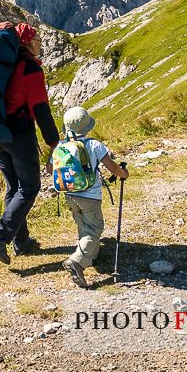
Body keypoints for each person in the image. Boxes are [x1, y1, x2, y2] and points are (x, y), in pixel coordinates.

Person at [0, 22, 60, 265]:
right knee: (29, 186)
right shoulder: (29, 69)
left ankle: (21, 241)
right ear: (26, 43)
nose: (40, 43)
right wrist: (53, 142)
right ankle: (0, 235)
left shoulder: (1, 67)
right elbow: (40, 109)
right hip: (18, 133)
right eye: (36, 39)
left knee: (13, 186)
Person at [58, 105, 129, 288]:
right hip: (90, 195)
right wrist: (123, 174)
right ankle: (78, 261)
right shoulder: (94, 144)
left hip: (69, 194)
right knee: (94, 228)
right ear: (87, 127)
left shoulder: (61, 146)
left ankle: (91, 255)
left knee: (83, 225)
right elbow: (111, 166)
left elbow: (51, 169)